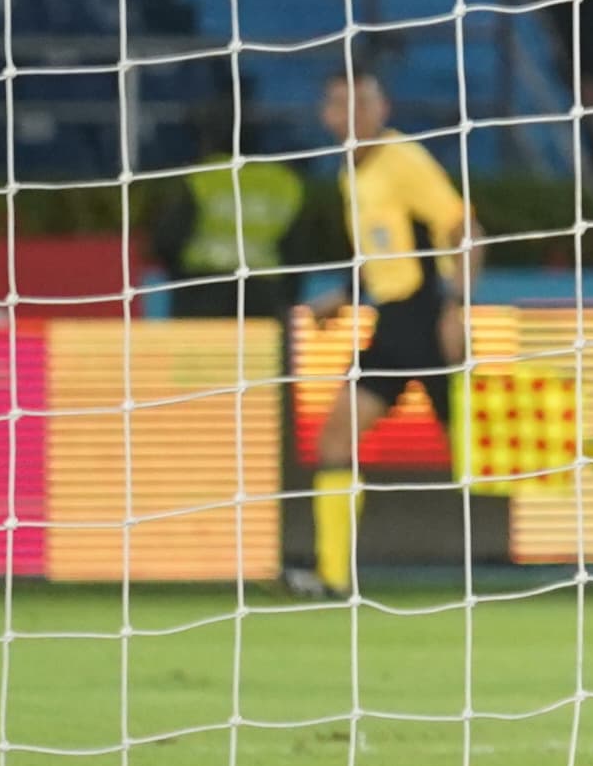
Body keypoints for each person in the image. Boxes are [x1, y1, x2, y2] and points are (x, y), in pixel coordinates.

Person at [298, 66, 473, 602]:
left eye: (363, 104)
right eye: (340, 105)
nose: (352, 115)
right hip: (394, 324)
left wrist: (456, 308)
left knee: (484, 452)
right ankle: (332, 579)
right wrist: (344, 296)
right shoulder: (351, 174)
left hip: (426, 317)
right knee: (335, 437)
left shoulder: (403, 160)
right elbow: (383, 254)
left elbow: (463, 227)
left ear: (383, 109)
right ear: (326, 115)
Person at [147, 87, 302, 321]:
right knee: (259, 358)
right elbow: (298, 249)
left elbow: (166, 240)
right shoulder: (284, 183)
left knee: (203, 358)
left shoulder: (201, 178)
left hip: (202, 294)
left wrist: (177, 277)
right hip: (264, 296)